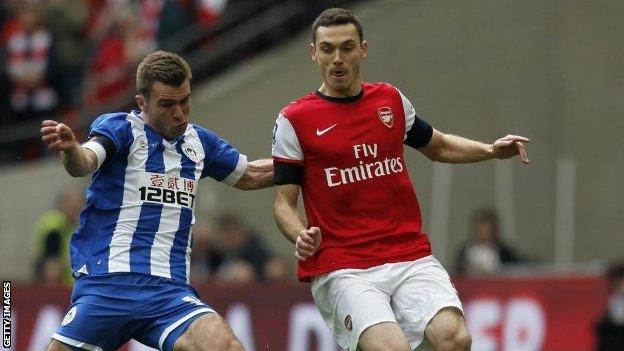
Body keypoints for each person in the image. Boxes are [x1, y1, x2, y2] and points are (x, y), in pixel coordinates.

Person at [272, 8, 530, 351]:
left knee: (455, 339)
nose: (337, 58)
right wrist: (300, 234)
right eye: (328, 49)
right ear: (313, 52)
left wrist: (491, 150)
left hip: (407, 253)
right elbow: (283, 203)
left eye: (347, 48)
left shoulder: (389, 101)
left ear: (363, 50)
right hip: (344, 264)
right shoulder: (295, 119)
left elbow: (437, 145)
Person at [41, 50, 273, 351]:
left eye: (184, 101)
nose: (180, 113)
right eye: (167, 104)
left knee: (227, 347)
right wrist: (71, 149)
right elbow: (84, 162)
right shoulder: (120, 129)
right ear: (142, 102)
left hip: (169, 294)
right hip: (109, 285)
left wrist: (310, 160)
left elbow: (251, 175)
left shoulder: (200, 143)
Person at [33, 185, 84, 286]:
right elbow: (51, 268)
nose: (79, 208)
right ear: (63, 203)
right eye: (75, 203)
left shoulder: (68, 225)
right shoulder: (56, 225)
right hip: (59, 290)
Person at [455, 208, 525, 276]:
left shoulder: (504, 252)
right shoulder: (465, 252)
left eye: (486, 230)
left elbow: (515, 268)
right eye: (481, 229)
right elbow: (458, 273)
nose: (483, 233)